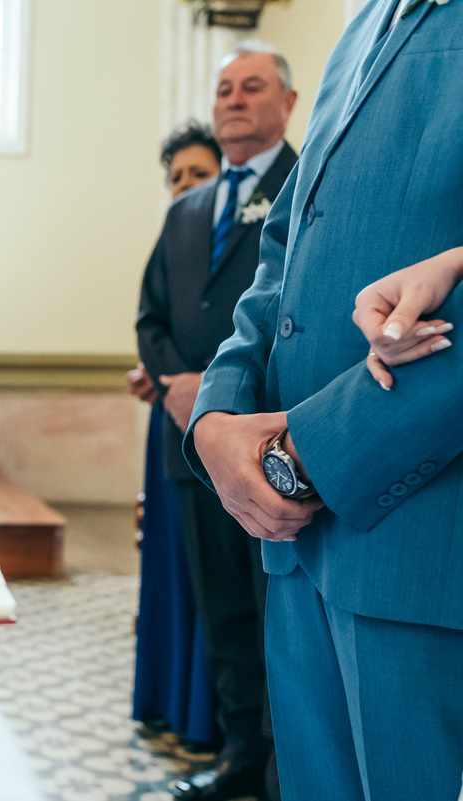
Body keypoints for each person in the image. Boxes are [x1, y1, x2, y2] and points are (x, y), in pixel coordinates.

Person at [185, 1, 463, 798]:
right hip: (301, 556)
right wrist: (219, 417)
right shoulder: (365, 22)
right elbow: (283, 251)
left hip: (421, 545)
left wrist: (309, 455)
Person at [136, 41, 298, 801]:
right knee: (224, 608)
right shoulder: (187, 209)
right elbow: (153, 314)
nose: (233, 99)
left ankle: (285, 770)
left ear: (288, 103)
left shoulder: (308, 186)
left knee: (280, 617)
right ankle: (241, 758)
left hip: (271, 442)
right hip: (189, 443)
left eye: (252, 86)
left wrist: (219, 388)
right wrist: (177, 385)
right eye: (224, 87)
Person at [130, 121, 220, 753]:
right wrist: (164, 379)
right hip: (171, 420)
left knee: (211, 579)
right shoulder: (175, 233)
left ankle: (209, 718)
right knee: (169, 570)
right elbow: (152, 318)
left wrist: (202, 385)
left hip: (226, 424)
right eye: (176, 178)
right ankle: (166, 702)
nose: (185, 186)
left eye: (199, 173)